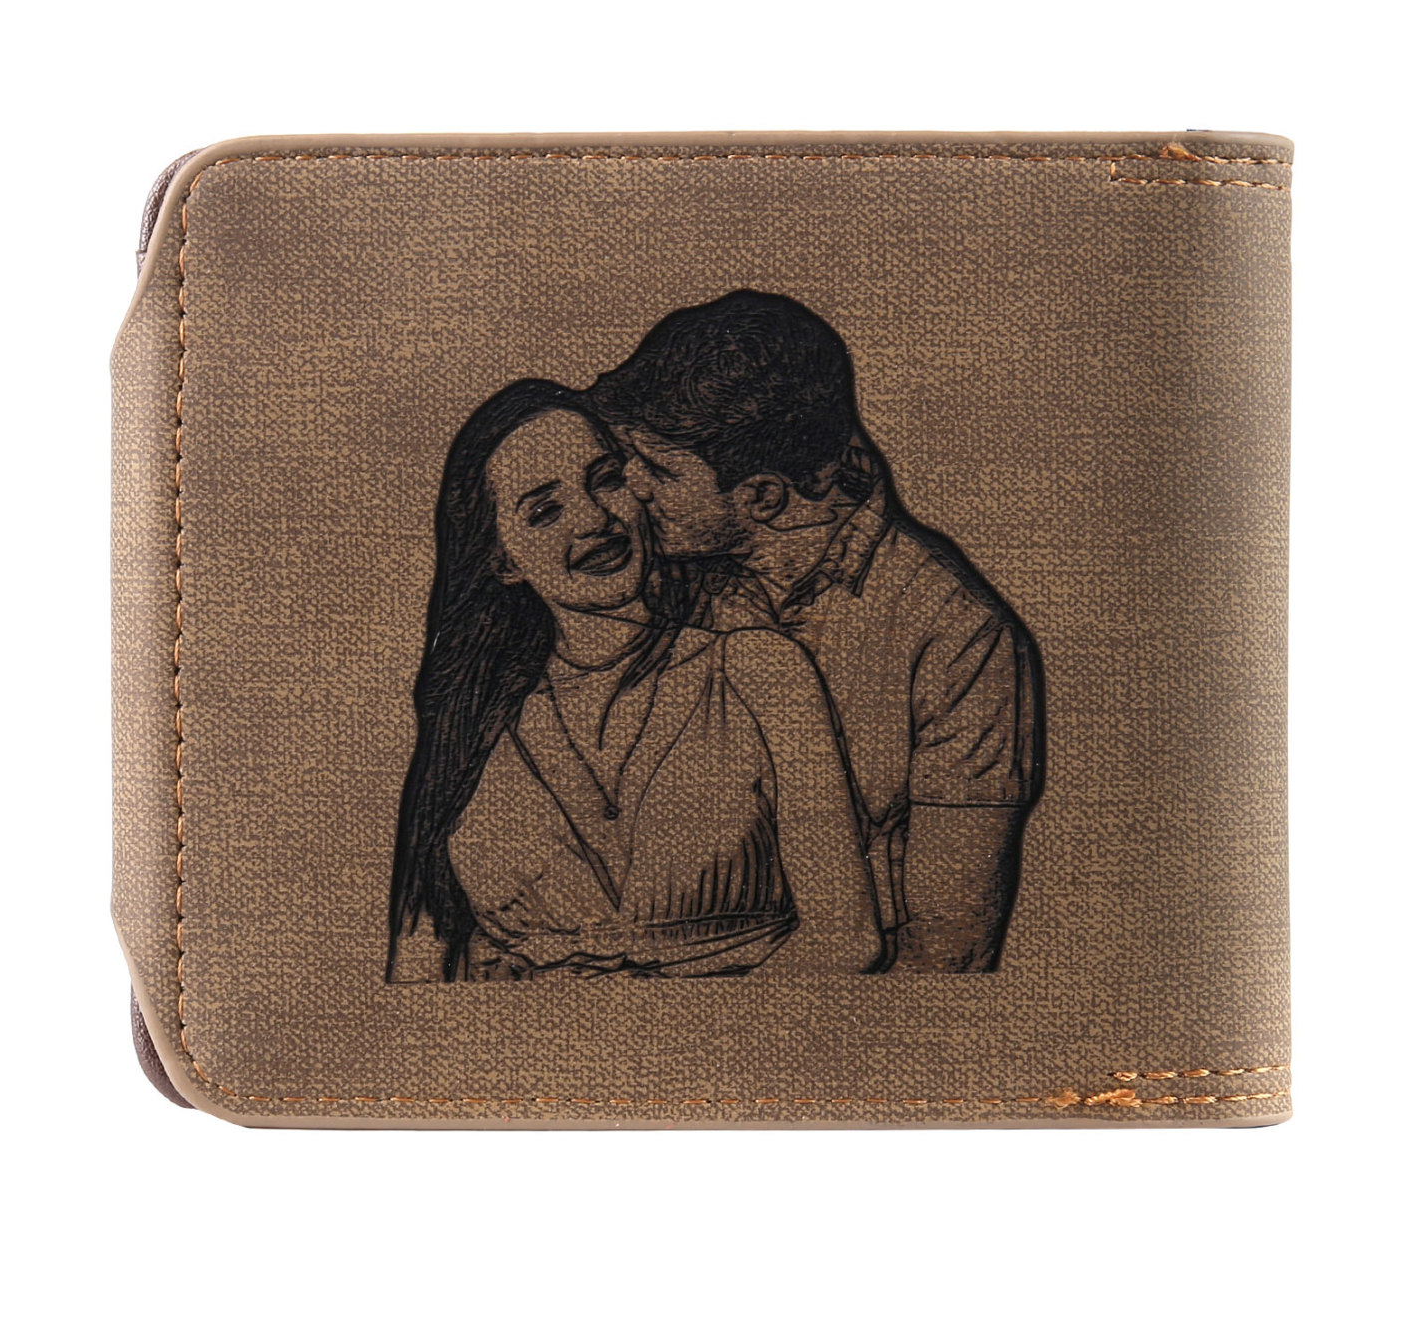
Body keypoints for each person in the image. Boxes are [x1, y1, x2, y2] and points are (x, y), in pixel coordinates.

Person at [591, 291, 1045, 972]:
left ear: (762, 497)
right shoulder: (654, 573)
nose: (630, 487)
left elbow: (948, 945)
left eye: (657, 469)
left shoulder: (956, 636)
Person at [388, 378, 881, 982]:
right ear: (502, 559)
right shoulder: (470, 721)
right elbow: (416, 960)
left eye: (606, 480)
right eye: (545, 512)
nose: (595, 519)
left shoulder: (760, 671)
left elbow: (845, 938)